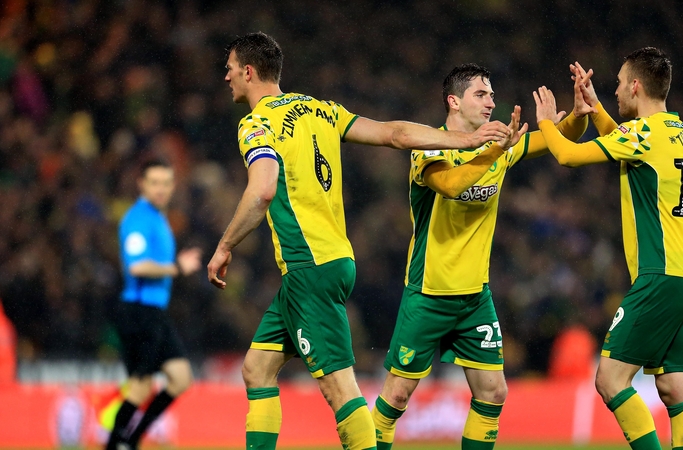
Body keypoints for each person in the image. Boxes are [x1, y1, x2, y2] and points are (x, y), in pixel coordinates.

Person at [205, 32, 516, 450]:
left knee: (341, 392)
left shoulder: (256, 124)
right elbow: (395, 135)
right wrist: (461, 139)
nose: (225, 78)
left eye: (228, 69)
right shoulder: (320, 109)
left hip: (307, 266)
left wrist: (225, 245)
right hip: (334, 261)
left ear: (248, 71)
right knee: (256, 369)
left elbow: (262, 190)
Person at [370, 63, 593, 450]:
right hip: (429, 293)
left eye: (492, 94)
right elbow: (451, 185)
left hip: (475, 297)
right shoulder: (431, 144)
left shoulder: (500, 144)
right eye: (481, 94)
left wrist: (576, 115)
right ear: (453, 101)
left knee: (492, 393)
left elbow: (563, 139)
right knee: (397, 397)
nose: (491, 101)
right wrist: (493, 152)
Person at [533, 47, 683, 450]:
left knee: (609, 380)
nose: (613, 91)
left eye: (617, 84)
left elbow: (568, 156)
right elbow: (627, 141)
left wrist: (546, 124)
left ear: (636, 86)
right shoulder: (677, 130)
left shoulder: (642, 134)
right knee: (677, 389)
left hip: (658, 277)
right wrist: (593, 111)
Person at [107, 160, 202, 450]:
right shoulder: (137, 219)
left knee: (181, 377)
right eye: (154, 182)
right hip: (138, 311)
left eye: (166, 183)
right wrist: (177, 268)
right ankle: (116, 444)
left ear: (173, 186)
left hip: (154, 313)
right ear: (142, 185)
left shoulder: (158, 218)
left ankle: (131, 440)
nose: (160, 189)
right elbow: (136, 267)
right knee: (140, 386)